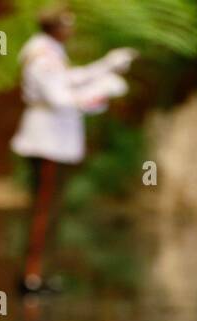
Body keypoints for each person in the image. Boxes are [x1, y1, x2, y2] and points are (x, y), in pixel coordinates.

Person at [10, 6, 136, 293]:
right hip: (47, 139)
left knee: (51, 208)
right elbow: (60, 97)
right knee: (44, 208)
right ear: (52, 27)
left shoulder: (50, 50)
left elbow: (69, 78)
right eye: (67, 26)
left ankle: (41, 271)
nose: (71, 31)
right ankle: (32, 274)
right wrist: (102, 91)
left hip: (56, 138)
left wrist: (106, 65)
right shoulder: (42, 56)